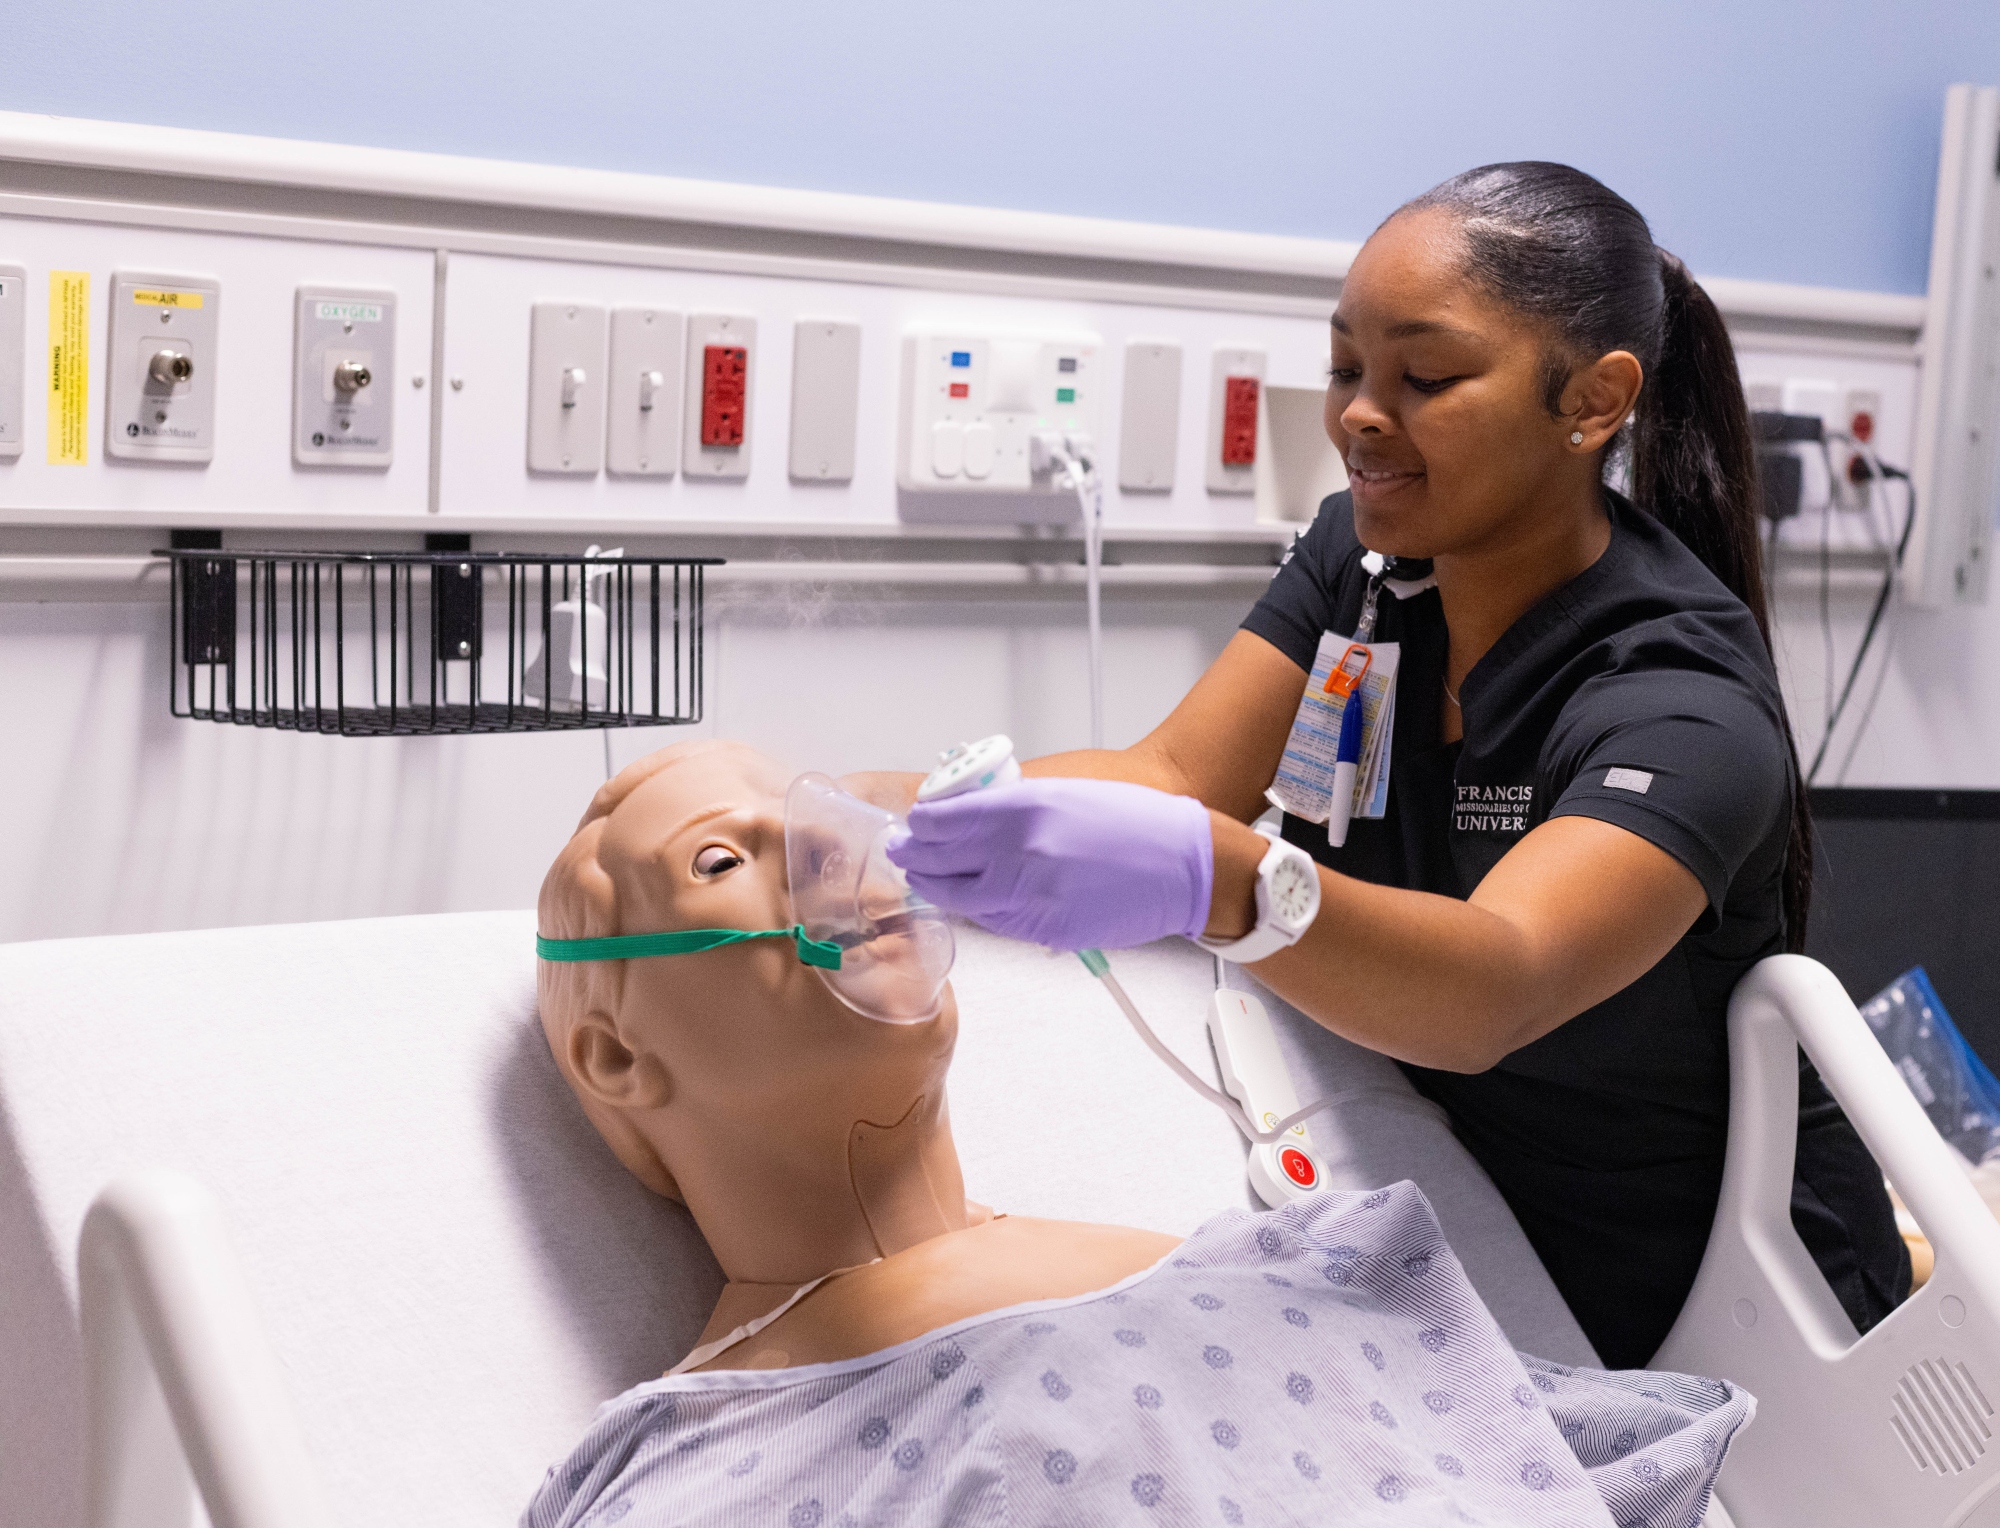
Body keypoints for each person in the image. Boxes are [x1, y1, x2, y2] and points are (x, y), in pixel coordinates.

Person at [881, 163, 1909, 1370]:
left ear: (1590, 400)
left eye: (1423, 377)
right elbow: (1170, 772)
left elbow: (1494, 987)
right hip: (1448, 1213)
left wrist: (1225, 882)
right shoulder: (1364, 571)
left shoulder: (1679, 702)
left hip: (1709, 1314)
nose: (1361, 415)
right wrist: (865, 808)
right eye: (1344, 370)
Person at [528, 738, 1748, 1527]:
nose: (824, 852)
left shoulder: (1294, 1267)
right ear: (616, 1055)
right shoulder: (708, 1460)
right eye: (722, 857)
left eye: (814, 811)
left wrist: (1221, 876)